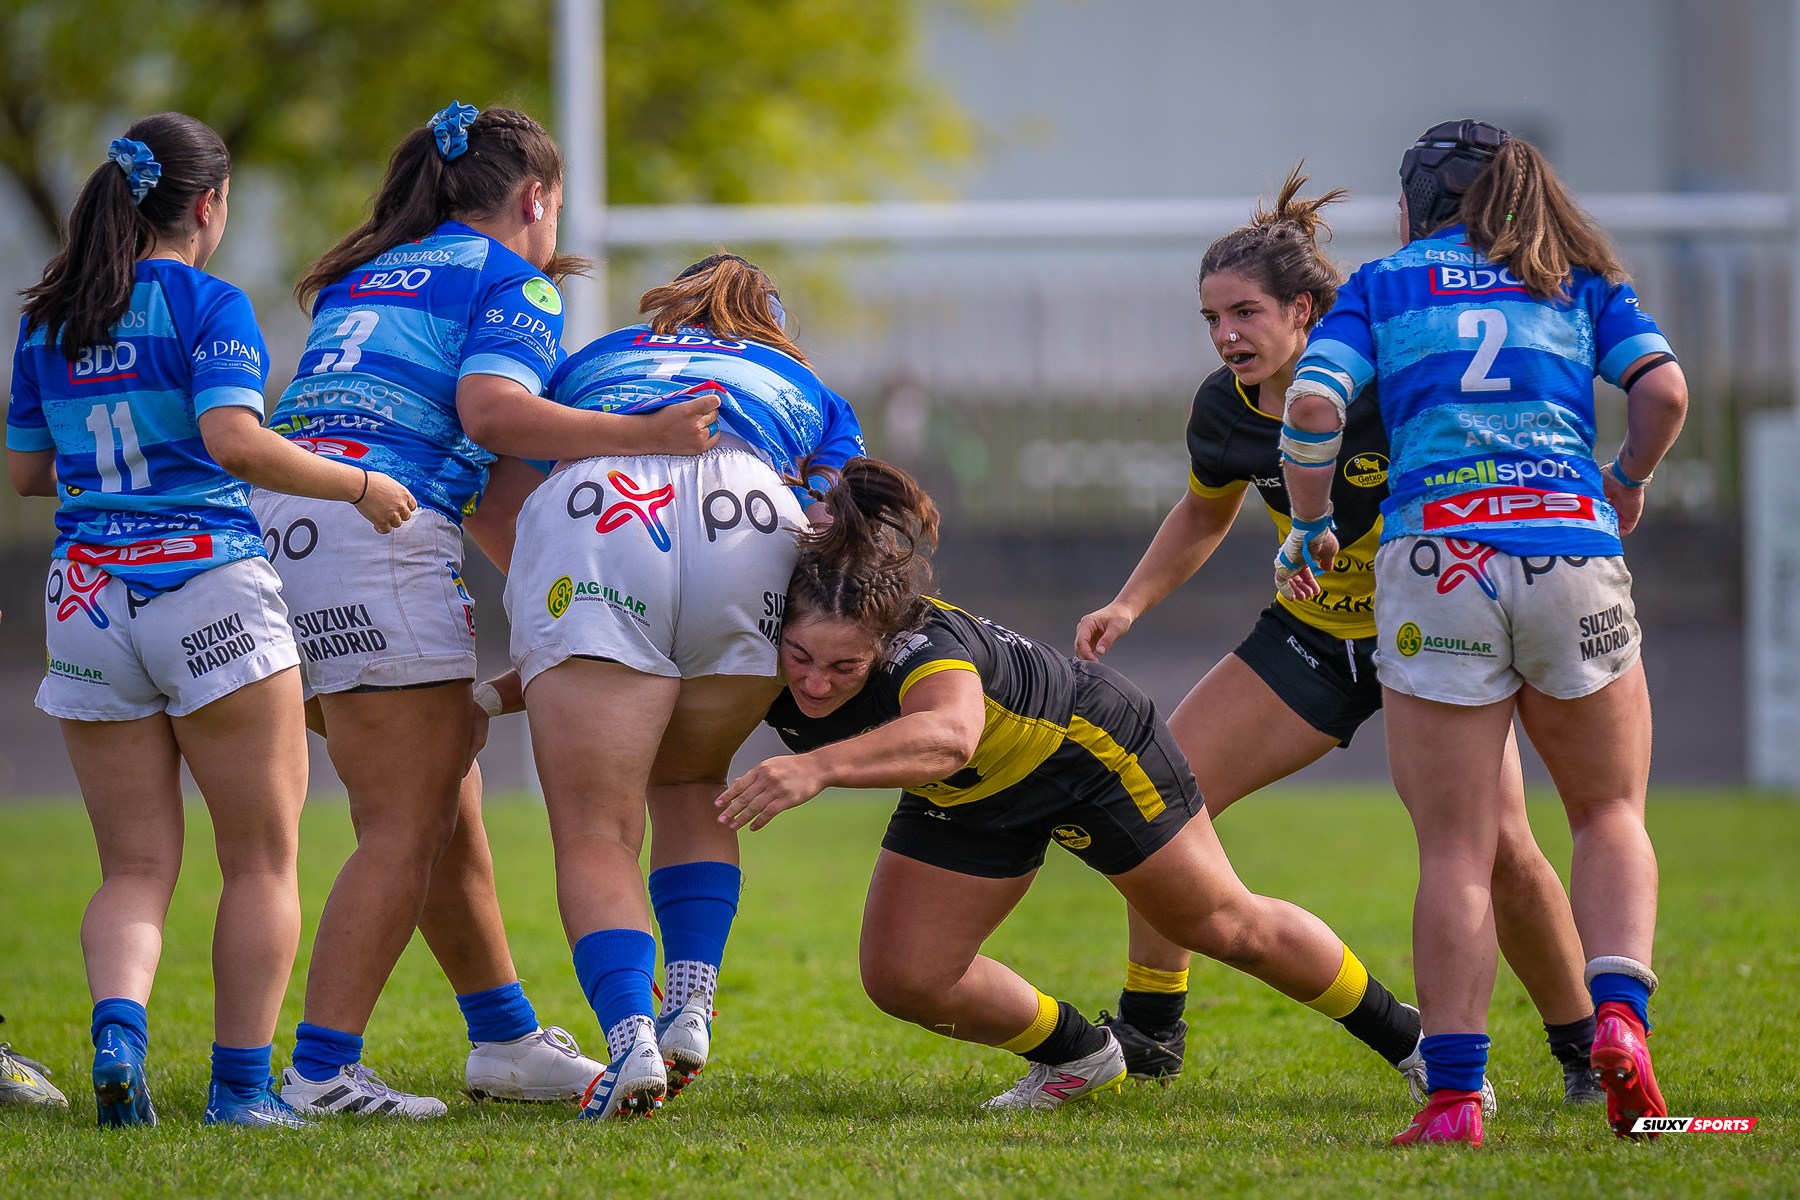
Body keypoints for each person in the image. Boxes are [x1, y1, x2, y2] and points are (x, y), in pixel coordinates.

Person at [1074, 168, 1601, 1106]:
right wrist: (1128, 603)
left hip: (1438, 633)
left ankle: (1582, 1053)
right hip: (1315, 639)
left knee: (1504, 850)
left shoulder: (1387, 384)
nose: (1227, 335)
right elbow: (1202, 516)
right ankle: (1152, 1026)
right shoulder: (1224, 406)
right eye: (1211, 319)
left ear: (1306, 310)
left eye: (1244, 313)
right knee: (1154, 798)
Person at [257, 102, 719, 1118]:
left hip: (282, 532)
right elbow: (494, 415)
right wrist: (645, 436)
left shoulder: (370, 273)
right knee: (405, 818)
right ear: (535, 198)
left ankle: (504, 1036)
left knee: (437, 796)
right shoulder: (508, 278)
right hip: (370, 536)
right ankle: (321, 1073)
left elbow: (499, 490)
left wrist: (559, 605)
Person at [716, 458, 1426, 1112]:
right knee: (906, 976)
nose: (813, 682)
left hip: (1087, 750)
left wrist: (815, 766)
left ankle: (1415, 1044)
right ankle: (1079, 1053)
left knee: (1221, 926)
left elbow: (950, 735)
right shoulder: (755, 642)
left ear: (884, 643)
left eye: (845, 669)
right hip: (971, 793)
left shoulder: (925, 648)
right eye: (802, 658)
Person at [1276, 120, 1686, 1145]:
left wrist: (1315, 522)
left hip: (1435, 564)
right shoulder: (1580, 278)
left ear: (1413, 207)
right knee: (1606, 814)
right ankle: (1622, 1025)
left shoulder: (1382, 284)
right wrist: (1627, 480)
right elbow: (1664, 390)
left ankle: (1457, 1096)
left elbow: (1314, 401)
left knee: (1456, 850)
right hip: (1567, 550)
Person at [6, 112, 413, 1128]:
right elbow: (235, 441)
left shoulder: (48, 314)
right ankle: (239, 1093)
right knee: (262, 860)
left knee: (134, 867)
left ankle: (118, 1030)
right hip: (205, 592)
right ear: (208, 204)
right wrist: (358, 487)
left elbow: (24, 472)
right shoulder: (209, 301)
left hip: (84, 601)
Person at [471, 253, 865, 1119]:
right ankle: (689, 1003)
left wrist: (563, 611)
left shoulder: (593, 359)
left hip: (599, 511)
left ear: (668, 305)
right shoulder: (797, 379)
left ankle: (629, 1042)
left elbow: (495, 496)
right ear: (769, 322)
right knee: (690, 781)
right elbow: (843, 518)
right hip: (754, 512)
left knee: (596, 829)